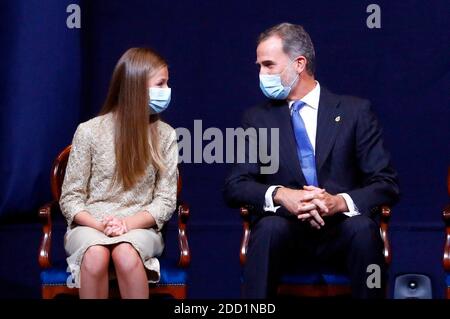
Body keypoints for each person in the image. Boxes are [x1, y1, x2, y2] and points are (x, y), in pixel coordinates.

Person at [223, 23, 400, 299]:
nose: (261, 75)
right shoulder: (257, 119)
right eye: (259, 66)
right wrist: (282, 195)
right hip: (286, 230)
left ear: (299, 64)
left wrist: (338, 202)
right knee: (267, 229)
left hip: (342, 229)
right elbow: (236, 185)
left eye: (269, 65)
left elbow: (386, 184)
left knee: (364, 230)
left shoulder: (355, 112)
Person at [59, 47, 178, 299]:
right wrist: (99, 225)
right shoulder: (89, 131)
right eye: (161, 83)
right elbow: (70, 198)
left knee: (126, 253)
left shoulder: (165, 135)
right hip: (91, 225)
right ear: (136, 87)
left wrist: (127, 224)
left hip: (140, 227)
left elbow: (166, 201)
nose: (166, 90)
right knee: (95, 255)